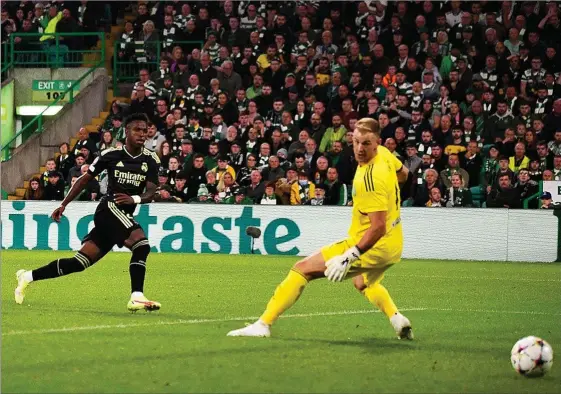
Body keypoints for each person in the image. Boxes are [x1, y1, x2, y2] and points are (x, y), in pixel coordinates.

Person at [227, 118, 413, 339]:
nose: (360, 149)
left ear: (377, 142)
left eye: (366, 143)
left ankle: (263, 324)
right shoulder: (384, 154)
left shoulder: (370, 179)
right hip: (394, 243)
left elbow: (378, 227)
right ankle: (397, 319)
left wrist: (349, 256)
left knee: (301, 269)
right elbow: (404, 175)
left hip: (374, 243)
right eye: (356, 142)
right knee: (362, 282)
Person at [14, 114, 161, 312]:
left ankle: (27, 276)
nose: (143, 134)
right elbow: (84, 179)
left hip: (124, 212)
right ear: (126, 131)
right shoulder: (110, 155)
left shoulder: (151, 159)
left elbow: (151, 191)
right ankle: (136, 296)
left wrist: (134, 199)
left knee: (79, 263)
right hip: (109, 209)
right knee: (141, 245)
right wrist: (64, 204)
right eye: (138, 130)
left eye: (145, 131)